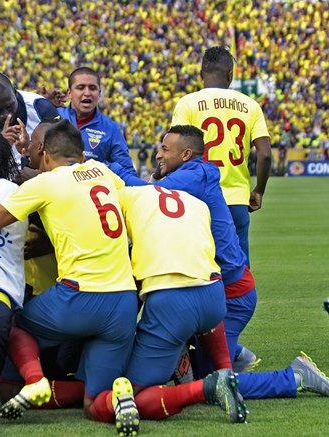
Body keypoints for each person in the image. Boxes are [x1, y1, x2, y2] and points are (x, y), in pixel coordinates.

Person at [110, 125, 329, 402]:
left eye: (165, 149)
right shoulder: (192, 174)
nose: (157, 155)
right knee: (189, 356)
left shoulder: (194, 176)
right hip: (209, 284)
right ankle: (230, 354)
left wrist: (109, 168)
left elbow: (146, 192)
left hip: (229, 292)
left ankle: (294, 376)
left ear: (186, 154)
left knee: (212, 386)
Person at [0, 120, 140, 434]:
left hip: (80, 297)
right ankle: (120, 396)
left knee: (11, 326)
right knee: (94, 404)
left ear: (43, 152)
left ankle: (34, 381)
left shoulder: (45, 184)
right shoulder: (103, 173)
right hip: (124, 302)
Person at [115, 184, 246, 423]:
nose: (159, 153)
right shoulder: (196, 202)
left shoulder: (124, 195)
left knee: (134, 399)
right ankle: (226, 372)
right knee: (199, 318)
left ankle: (206, 388)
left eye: (164, 148)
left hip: (171, 302)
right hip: (214, 295)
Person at [171, 46, 272, 263]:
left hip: (197, 197)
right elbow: (265, 155)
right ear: (230, 74)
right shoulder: (250, 105)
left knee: (199, 265)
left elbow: (175, 149)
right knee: (239, 270)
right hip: (236, 199)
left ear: (201, 73)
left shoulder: (187, 103)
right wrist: (259, 191)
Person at [0, 72, 60, 167]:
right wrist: (0, 146)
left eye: (10, 106)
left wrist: (30, 150)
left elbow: (61, 155)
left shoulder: (40, 107)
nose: (7, 115)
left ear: (15, 92)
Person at [57, 67, 135, 174]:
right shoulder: (53, 116)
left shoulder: (111, 128)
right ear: (69, 92)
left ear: (99, 93)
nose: (87, 93)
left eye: (92, 88)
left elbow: (126, 171)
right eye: (81, 88)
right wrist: (41, 102)